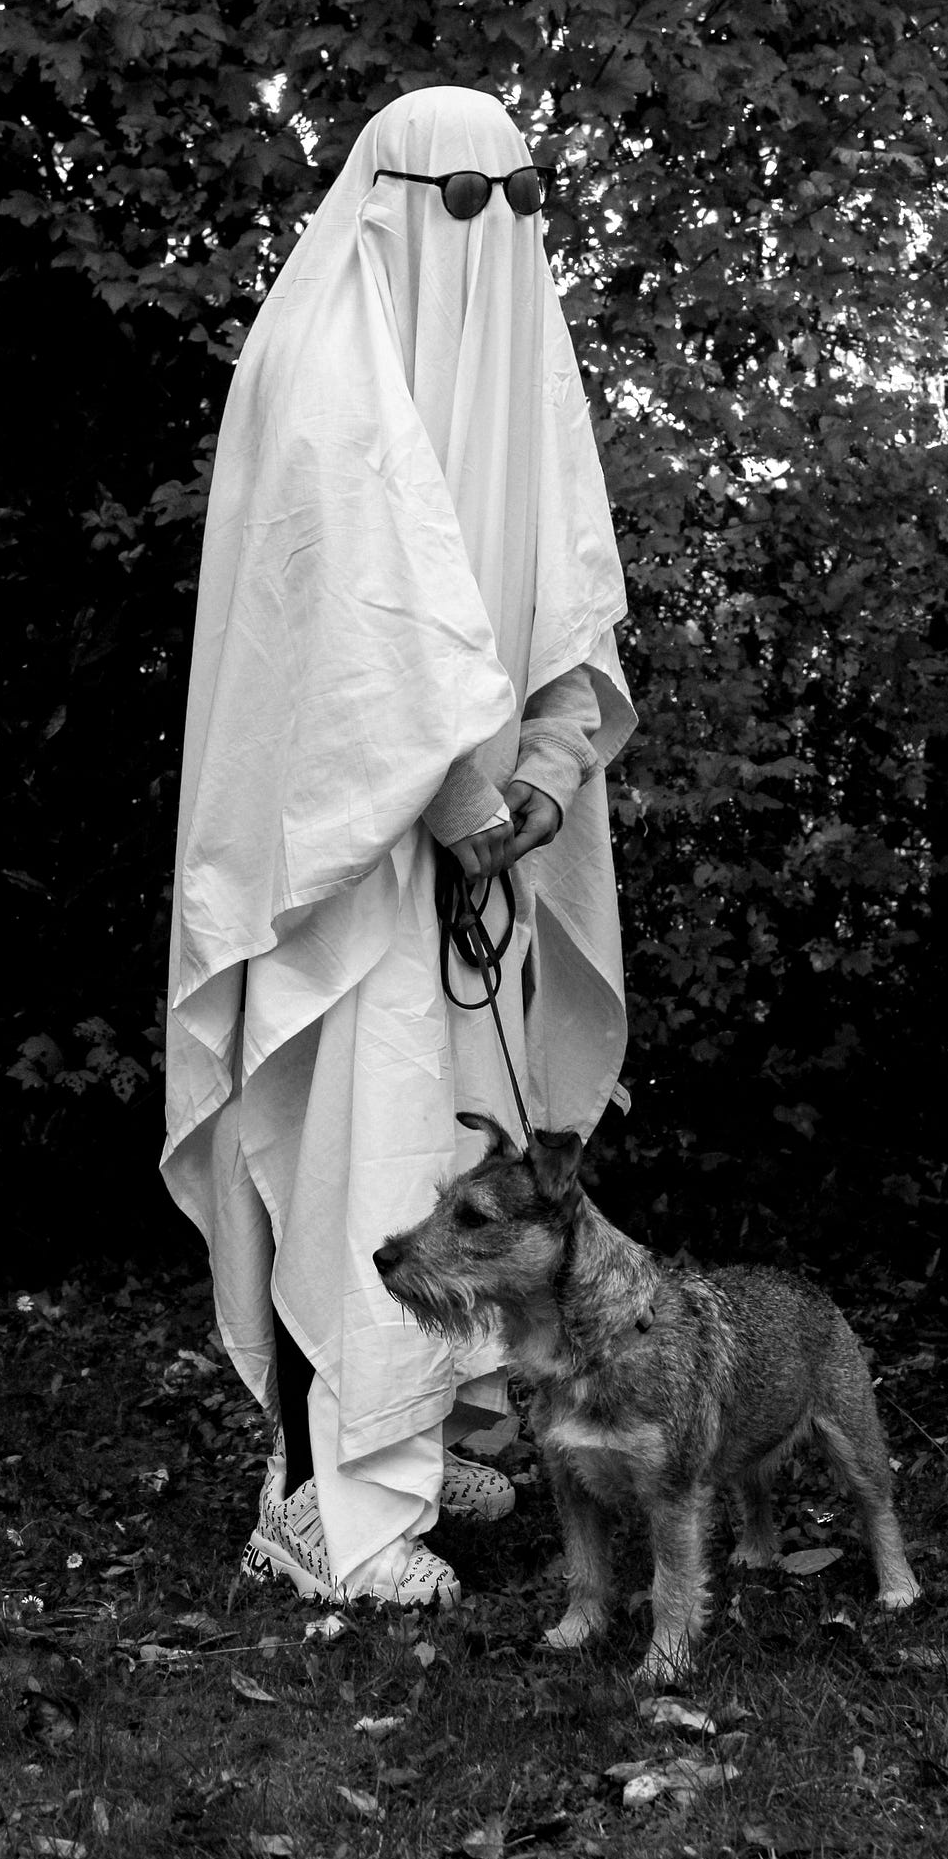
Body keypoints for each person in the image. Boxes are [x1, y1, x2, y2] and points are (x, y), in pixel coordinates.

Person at [161, 84, 636, 1606]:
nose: (487, 234)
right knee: (349, 1151)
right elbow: (353, 640)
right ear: (386, 194)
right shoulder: (314, 371)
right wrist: (455, 808)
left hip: (488, 857)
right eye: (456, 198)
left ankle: (412, 1442)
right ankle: (317, 1501)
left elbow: (567, 609)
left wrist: (542, 794)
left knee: (458, 1161)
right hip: (345, 875)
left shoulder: (522, 376)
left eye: (515, 196)